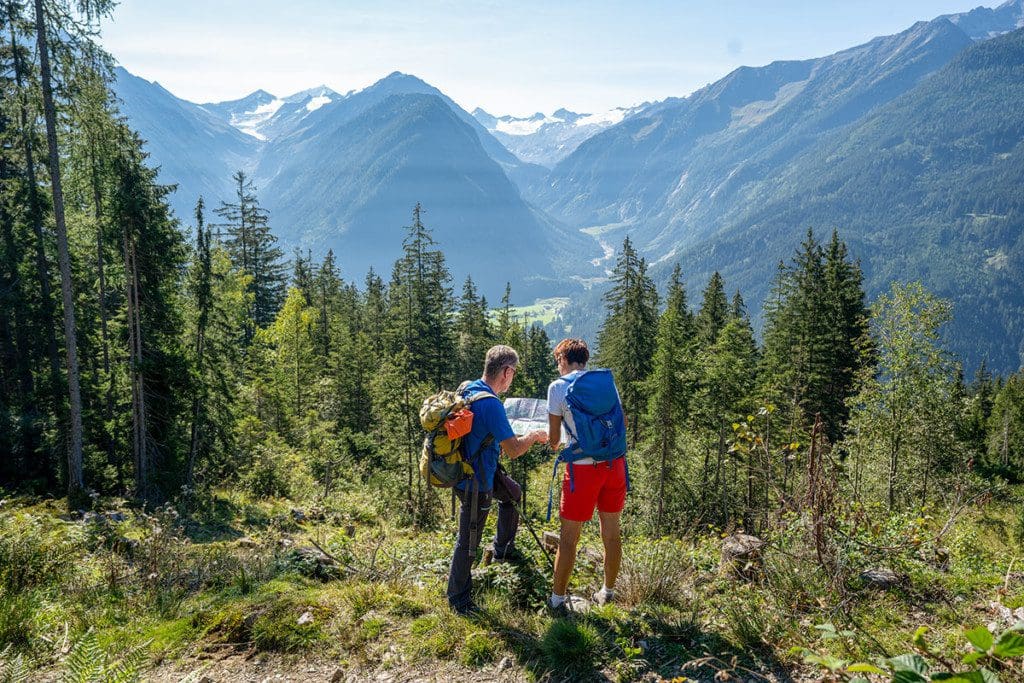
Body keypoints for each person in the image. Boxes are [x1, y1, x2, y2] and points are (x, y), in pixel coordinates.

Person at [447, 345, 547, 615]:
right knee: (468, 540)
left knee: (512, 494)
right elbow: (514, 450)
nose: (511, 379)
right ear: (506, 371)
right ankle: (458, 599)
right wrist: (534, 437)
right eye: (512, 373)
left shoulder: (468, 388)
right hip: (475, 482)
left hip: (477, 469)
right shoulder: (491, 404)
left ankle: (502, 550)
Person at [546, 338, 627, 613]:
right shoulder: (605, 383)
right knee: (612, 535)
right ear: (584, 360)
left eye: (558, 362)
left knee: (568, 539)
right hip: (614, 465)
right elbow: (622, 422)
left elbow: (555, 440)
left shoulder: (558, 387)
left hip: (582, 471)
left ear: (563, 360)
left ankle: (557, 601)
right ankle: (609, 592)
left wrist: (547, 438)